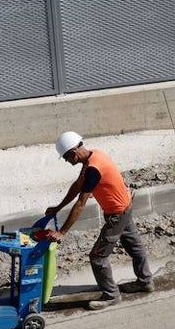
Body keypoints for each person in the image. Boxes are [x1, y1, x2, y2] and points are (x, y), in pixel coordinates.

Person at [44, 131, 155, 310]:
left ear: (73, 153)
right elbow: (77, 186)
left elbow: (81, 202)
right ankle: (145, 281)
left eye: (65, 158)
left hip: (117, 214)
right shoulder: (94, 156)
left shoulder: (94, 169)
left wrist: (62, 232)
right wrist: (58, 207)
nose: (66, 161)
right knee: (134, 245)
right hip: (125, 205)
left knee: (97, 256)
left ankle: (111, 295)